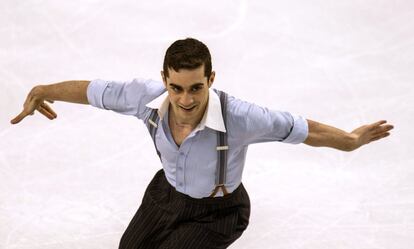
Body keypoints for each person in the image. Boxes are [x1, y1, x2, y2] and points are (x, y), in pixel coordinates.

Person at [10, 38, 394, 249]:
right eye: (176, 88)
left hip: (218, 211)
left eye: (196, 87)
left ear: (211, 78)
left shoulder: (239, 117)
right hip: (166, 196)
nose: (186, 99)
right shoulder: (143, 97)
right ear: (164, 79)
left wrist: (348, 141)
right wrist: (45, 90)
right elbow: (93, 91)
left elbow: (298, 127)